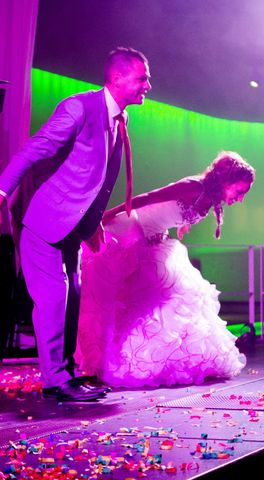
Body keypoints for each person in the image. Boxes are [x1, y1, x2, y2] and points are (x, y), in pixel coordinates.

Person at [0, 47, 151, 401]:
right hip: (43, 221)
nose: (148, 84)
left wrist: (93, 222)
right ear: (117, 78)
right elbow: (35, 149)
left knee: (72, 298)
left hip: (73, 226)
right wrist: (3, 188)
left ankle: (64, 376)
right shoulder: (79, 107)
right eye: (142, 77)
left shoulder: (121, 118)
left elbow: (98, 177)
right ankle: (56, 380)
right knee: (54, 297)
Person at [74, 151, 254, 388]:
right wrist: (105, 216)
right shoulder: (193, 186)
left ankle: (137, 358)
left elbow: (176, 213)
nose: (240, 198)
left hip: (154, 238)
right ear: (226, 181)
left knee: (167, 295)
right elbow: (147, 198)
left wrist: (181, 225)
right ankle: (110, 360)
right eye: (239, 191)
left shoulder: (209, 198)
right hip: (132, 230)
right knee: (135, 297)